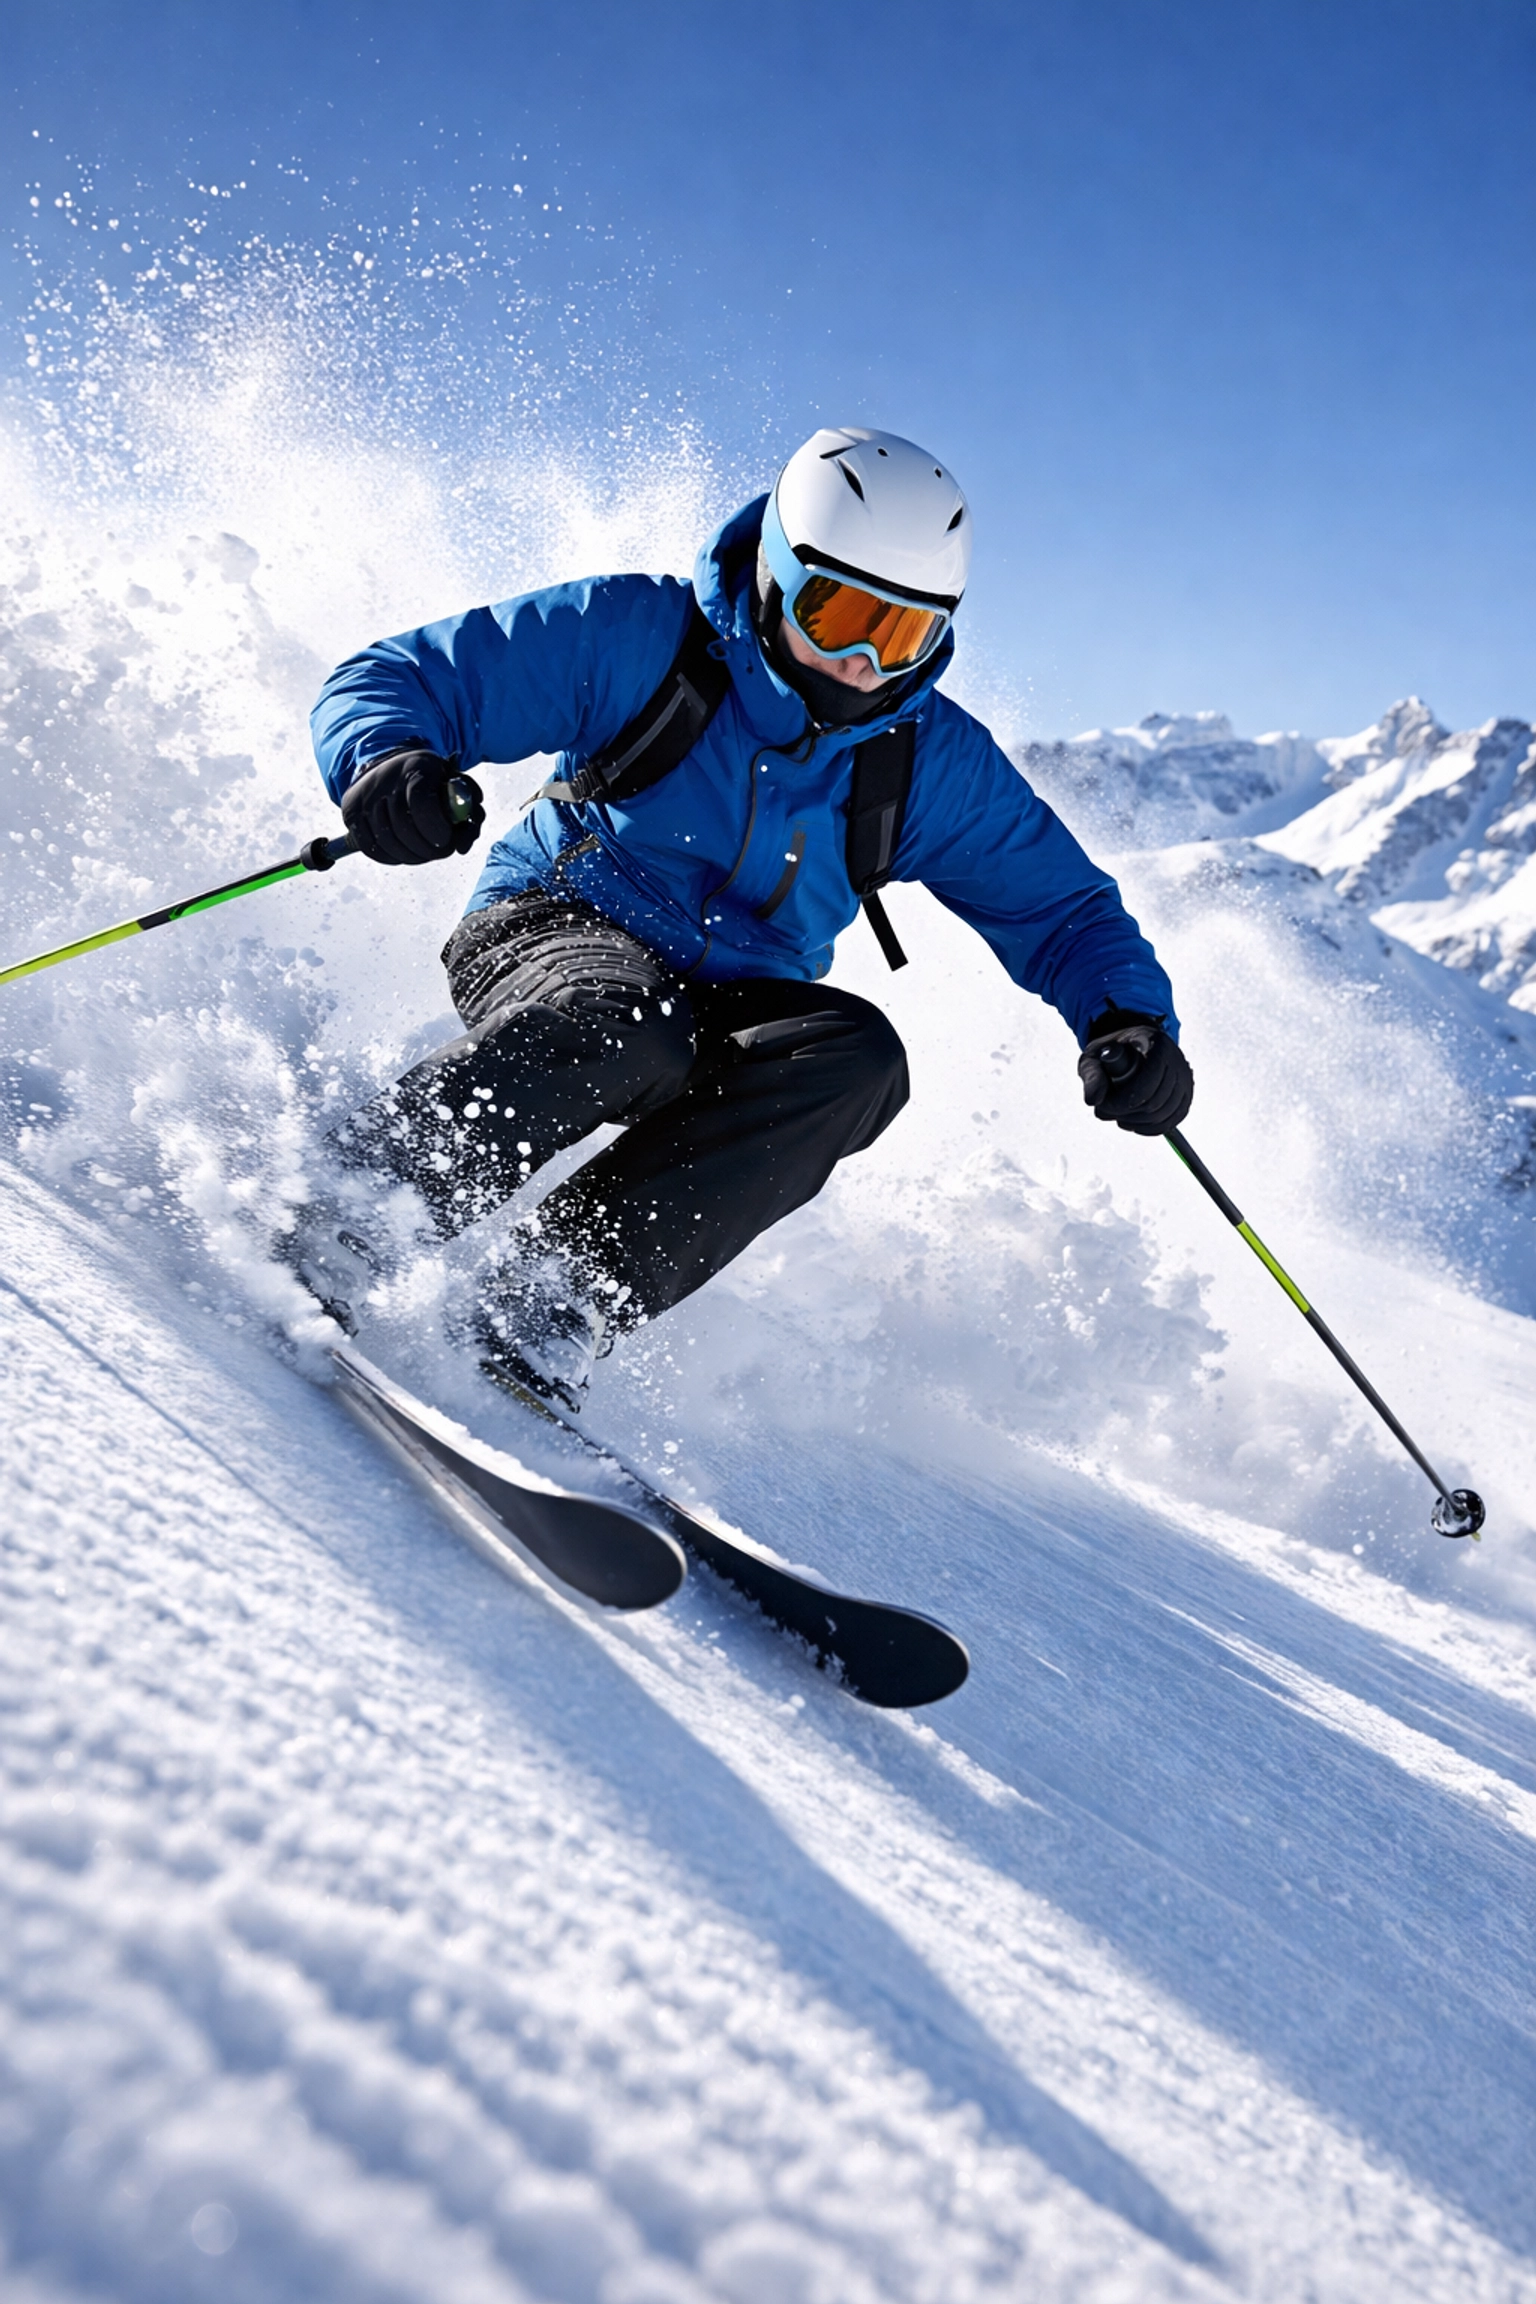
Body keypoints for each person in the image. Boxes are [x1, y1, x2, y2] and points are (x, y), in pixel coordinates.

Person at [289, 425, 1192, 1411]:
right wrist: (390, 763)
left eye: (900, 637)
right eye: (838, 615)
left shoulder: (925, 758)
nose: (861, 663)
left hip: (729, 997)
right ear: (775, 575)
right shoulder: (644, 639)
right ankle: (354, 1200)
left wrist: (1128, 1020)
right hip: (556, 920)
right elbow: (404, 678)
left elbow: (1063, 909)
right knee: (626, 1024)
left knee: (857, 1062)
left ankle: (551, 1296)